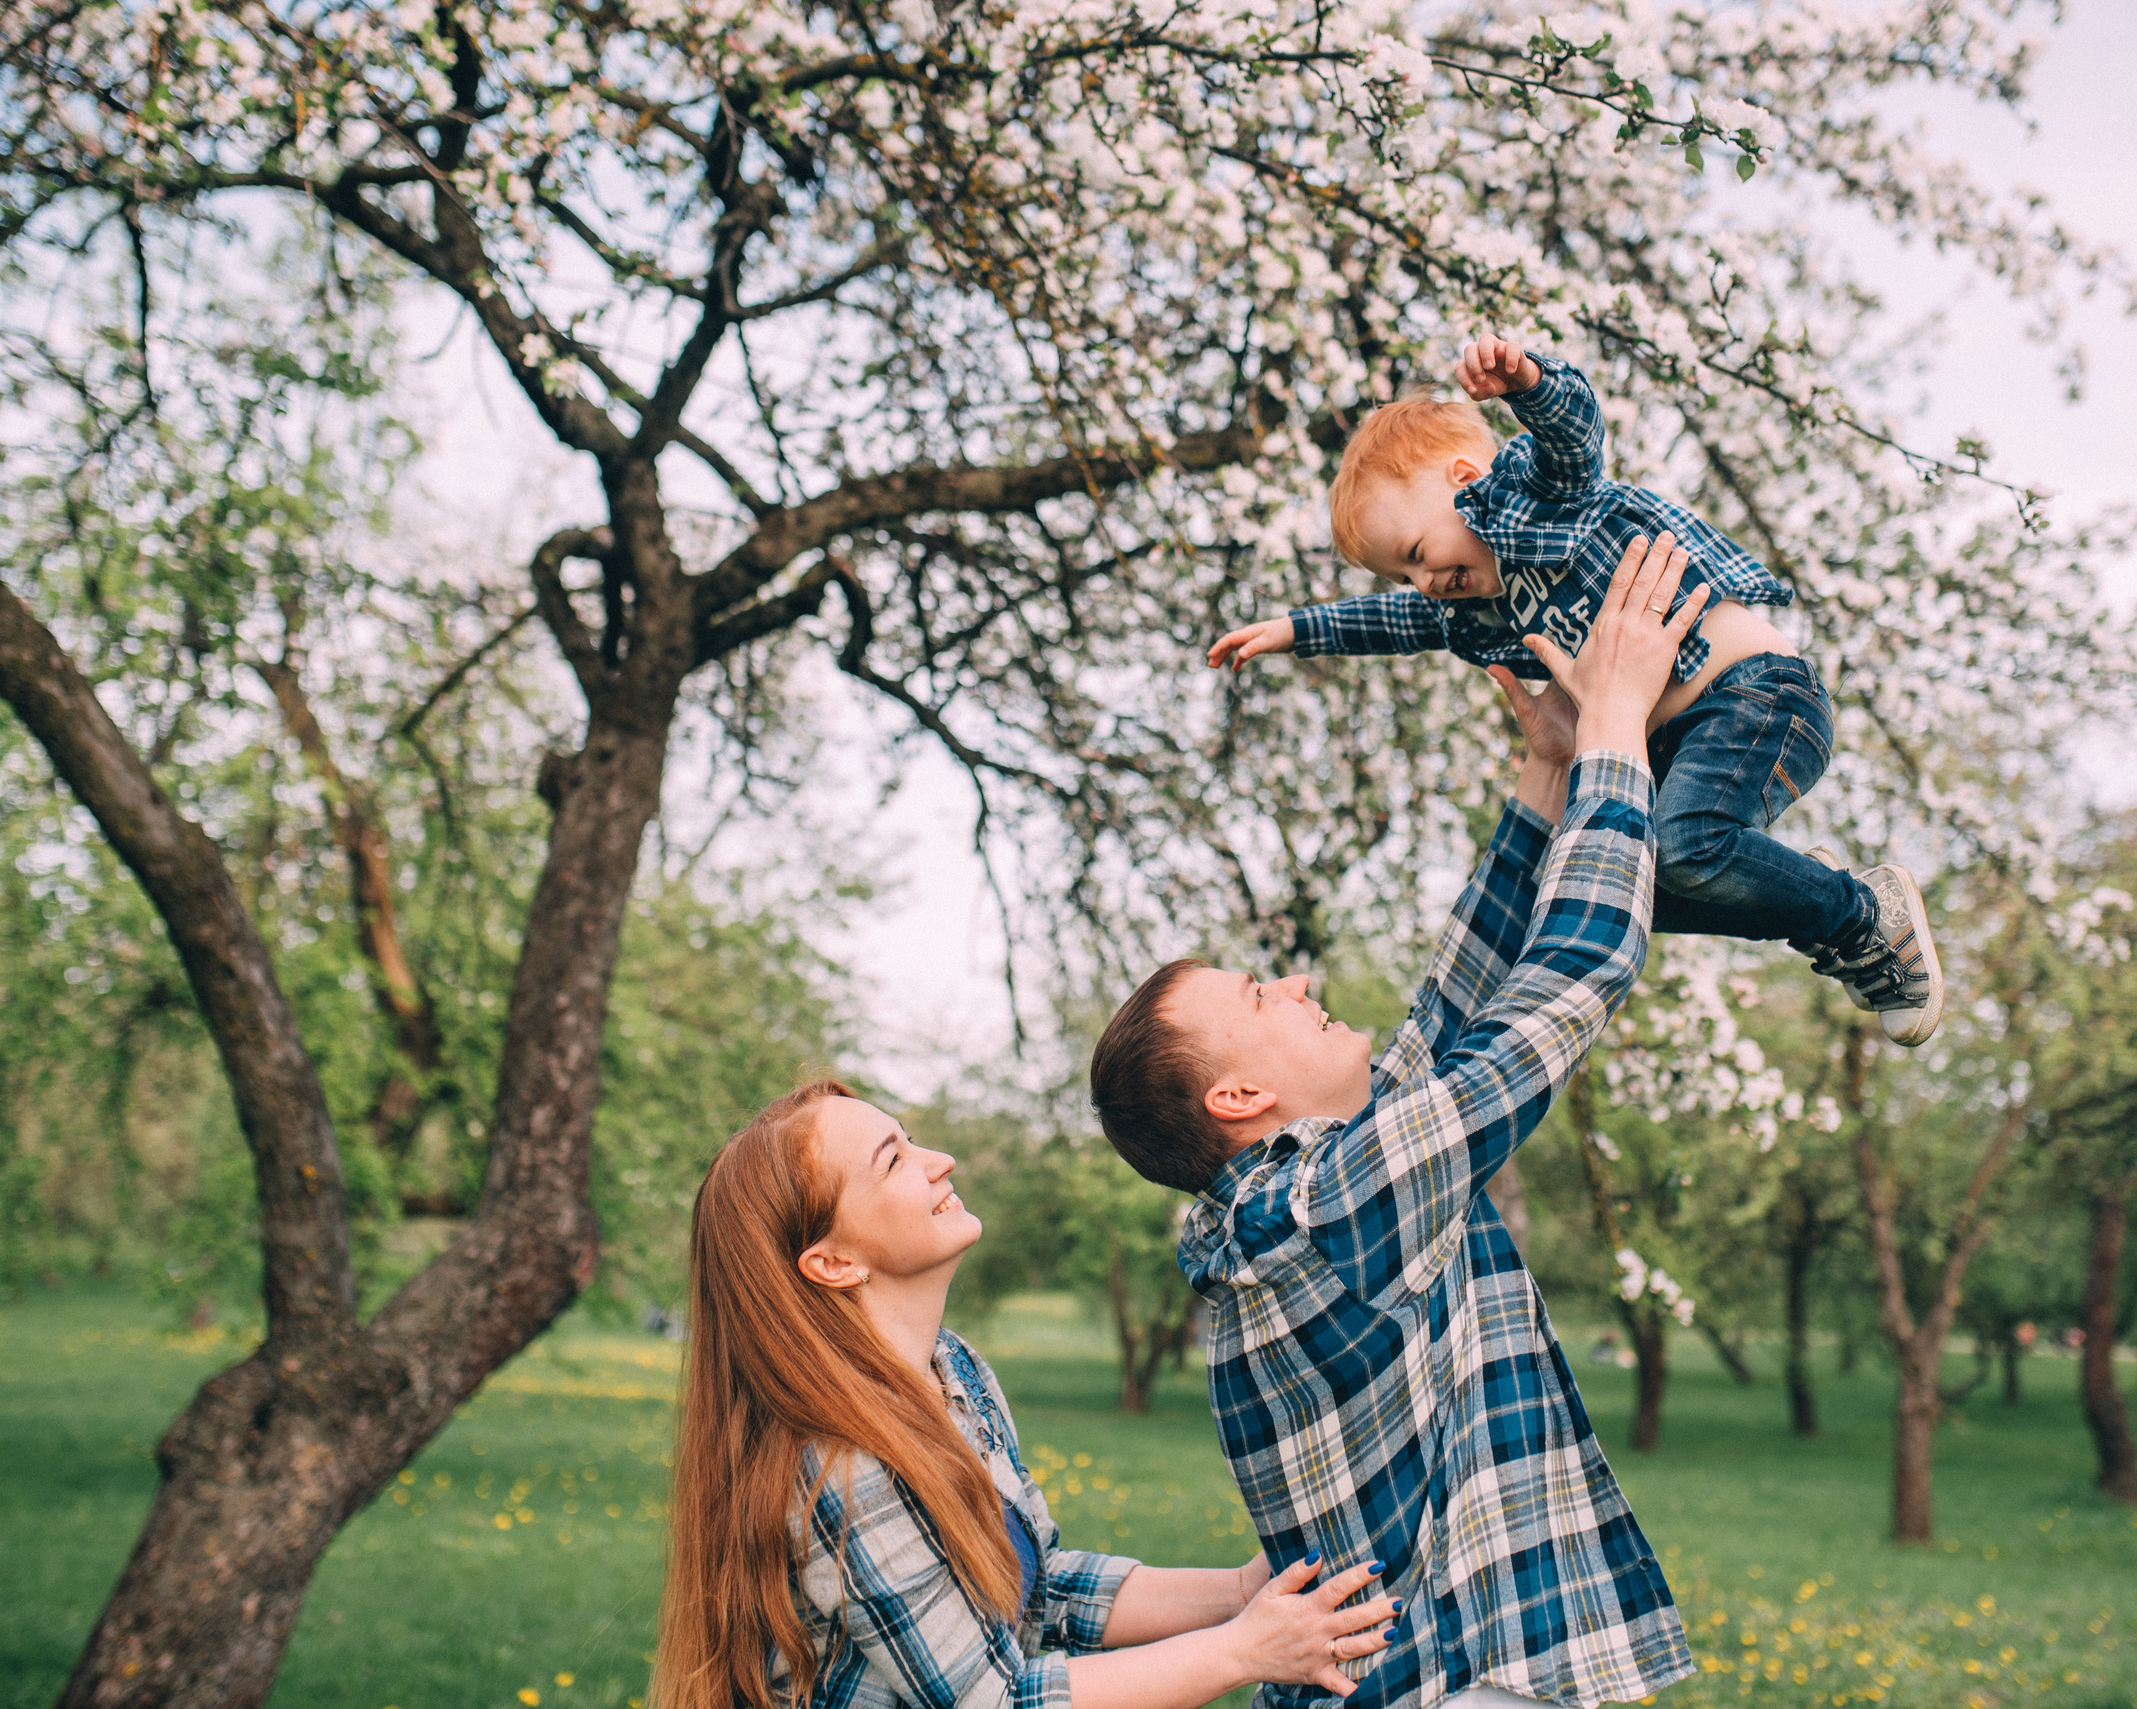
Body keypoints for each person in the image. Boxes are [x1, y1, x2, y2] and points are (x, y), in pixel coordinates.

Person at [1091, 537, 1708, 1709]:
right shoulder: (1325, 1209)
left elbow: (1452, 1012)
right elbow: (1569, 977)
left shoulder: (1294, 1200)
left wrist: (1548, 772)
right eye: (1255, 997)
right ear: (1237, 1100)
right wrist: (1620, 730)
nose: (1291, 982)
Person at [1205, 335, 1941, 1045]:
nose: (1424, 583)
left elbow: (1574, 438)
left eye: (1419, 554)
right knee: (1611, 882)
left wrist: (1528, 382)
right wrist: (1299, 629)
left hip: (1755, 697)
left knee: (1683, 848)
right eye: (1405, 574)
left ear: (1467, 482)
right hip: (1674, 744)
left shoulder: (1540, 501)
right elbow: (1399, 621)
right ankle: (1787, 882)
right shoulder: (1486, 598)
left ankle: (1858, 915)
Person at [651, 1079, 1401, 1709]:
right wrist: (1243, 1650)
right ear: (834, 1261)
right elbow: (997, 1700)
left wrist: (1238, 1592)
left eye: (910, 1139)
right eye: (894, 1159)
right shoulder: (846, 1467)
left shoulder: (953, 1371)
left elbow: (1040, 1590)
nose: (939, 1160)